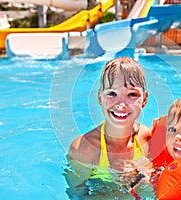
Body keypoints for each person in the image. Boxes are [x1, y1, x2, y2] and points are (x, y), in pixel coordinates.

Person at [65, 57, 152, 194]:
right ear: (100, 98)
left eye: (132, 94)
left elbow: (158, 187)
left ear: (144, 99)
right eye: (112, 93)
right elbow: (76, 194)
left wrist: (138, 176)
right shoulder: (84, 149)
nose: (121, 104)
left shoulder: (148, 138)